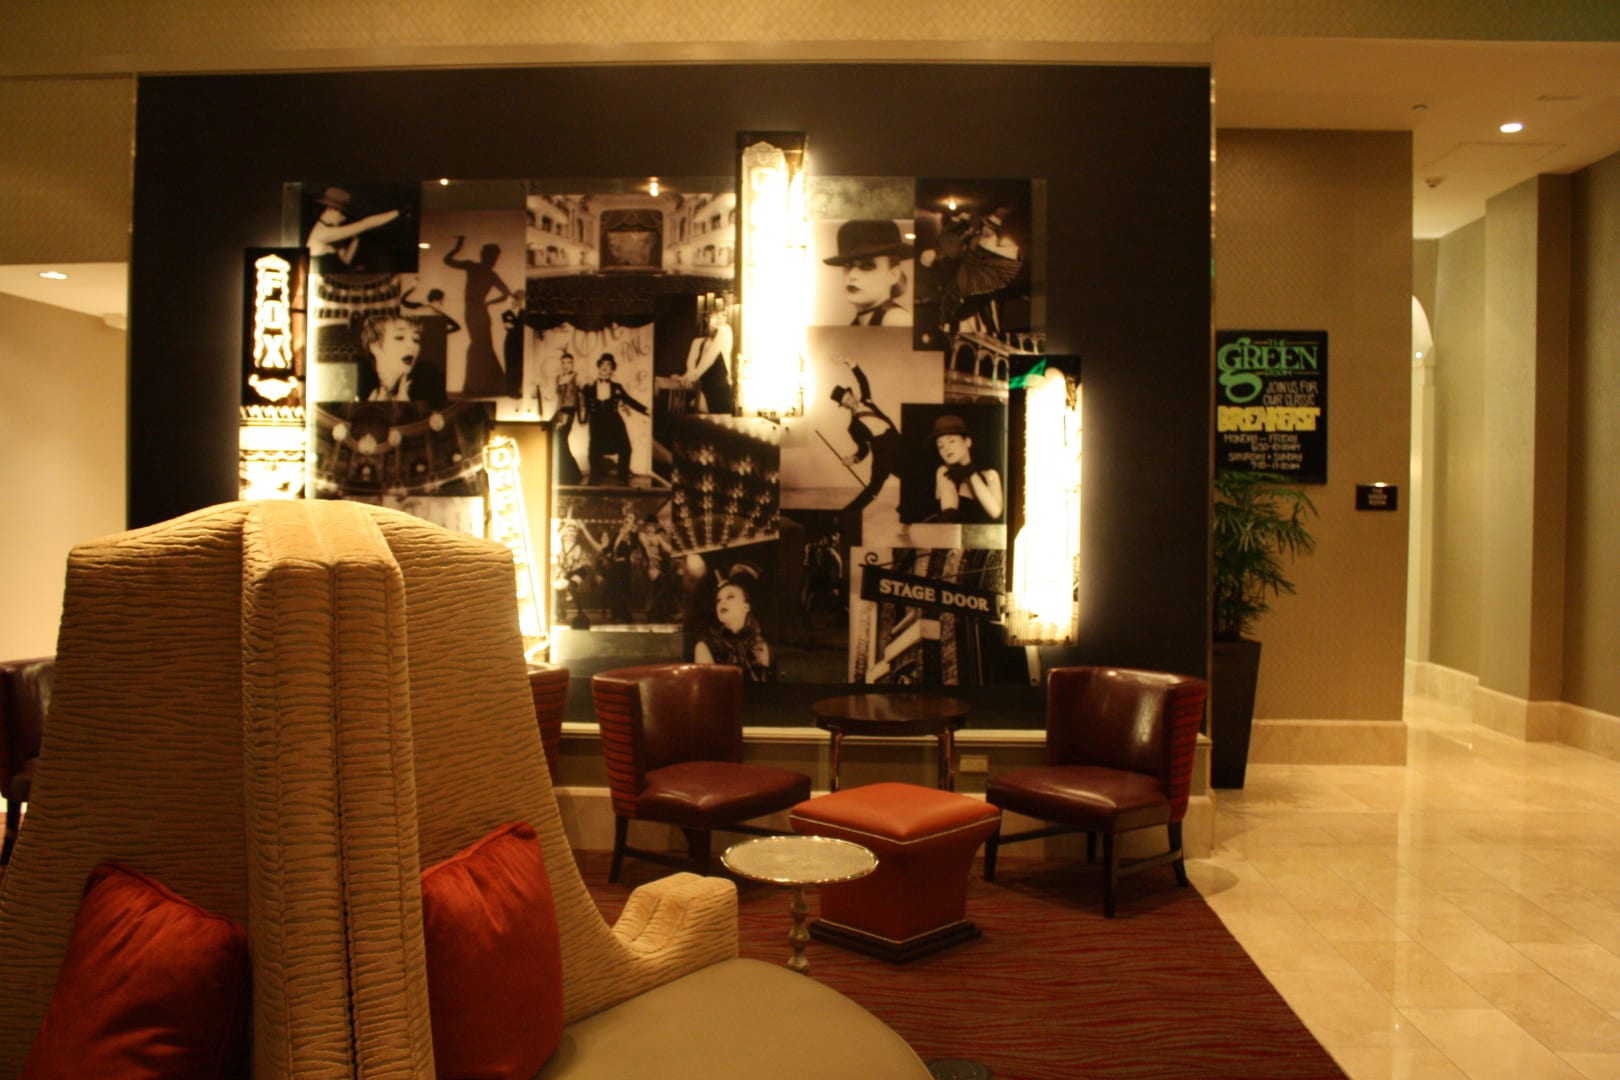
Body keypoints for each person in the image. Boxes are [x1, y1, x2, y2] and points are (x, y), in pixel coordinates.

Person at [443, 235, 514, 396]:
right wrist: (458, 245)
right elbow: (446, 261)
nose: (494, 261)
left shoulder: (479, 269)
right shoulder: (479, 269)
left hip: (476, 312)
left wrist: (458, 246)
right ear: (484, 256)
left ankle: (481, 386)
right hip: (477, 312)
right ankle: (487, 386)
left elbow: (507, 293)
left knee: (481, 345)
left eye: (495, 258)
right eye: (493, 257)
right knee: (481, 345)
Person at [829, 359, 900, 516]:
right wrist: (853, 459)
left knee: (912, 473)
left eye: (849, 397)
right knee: (874, 489)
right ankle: (846, 515)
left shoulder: (867, 401)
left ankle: (908, 508)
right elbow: (864, 450)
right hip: (881, 451)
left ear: (852, 394)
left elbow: (863, 381)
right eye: (846, 402)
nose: (850, 402)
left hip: (896, 441)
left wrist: (851, 364)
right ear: (844, 406)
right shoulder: (853, 427)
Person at [822, 220, 914, 327]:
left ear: (893, 275)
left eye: (867, 266)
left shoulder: (896, 319)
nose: (852, 275)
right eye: (848, 265)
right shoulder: (862, 320)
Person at [693, 563, 774, 681]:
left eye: (730, 597)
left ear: (746, 607)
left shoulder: (761, 645)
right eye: (718, 600)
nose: (722, 602)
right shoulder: (706, 646)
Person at [580, 352, 650, 485]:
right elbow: (582, 403)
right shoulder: (589, 387)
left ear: (612, 370)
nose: (605, 367)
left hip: (613, 420)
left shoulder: (617, 387)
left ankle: (623, 476)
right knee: (594, 450)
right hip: (597, 421)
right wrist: (583, 419)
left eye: (608, 365)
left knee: (625, 448)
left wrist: (646, 410)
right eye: (602, 364)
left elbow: (629, 400)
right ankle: (594, 478)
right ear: (599, 367)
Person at [305, 186, 401, 274]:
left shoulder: (328, 230)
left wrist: (356, 239)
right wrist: (398, 212)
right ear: (331, 209)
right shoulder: (323, 233)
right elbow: (366, 224)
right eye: (342, 214)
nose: (344, 218)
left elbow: (346, 260)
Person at [355, 314, 445, 403]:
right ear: (374, 346)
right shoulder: (357, 383)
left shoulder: (431, 384)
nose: (411, 346)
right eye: (399, 338)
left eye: (416, 339)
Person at [931, 413, 1004, 523]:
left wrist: (970, 472)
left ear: (967, 442)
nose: (946, 448)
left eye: (951, 441)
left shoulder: (991, 475)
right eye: (940, 446)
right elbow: (949, 514)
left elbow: (995, 512)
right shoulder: (944, 472)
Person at [681, 309, 734, 413]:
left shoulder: (725, 332)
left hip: (719, 391)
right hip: (701, 390)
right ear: (707, 318)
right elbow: (691, 363)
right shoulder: (697, 342)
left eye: (723, 316)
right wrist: (689, 372)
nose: (720, 320)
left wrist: (693, 375)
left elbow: (710, 357)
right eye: (715, 317)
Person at [548, 350, 584, 484]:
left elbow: (580, 398)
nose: (566, 365)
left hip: (569, 411)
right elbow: (558, 398)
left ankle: (572, 474)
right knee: (556, 440)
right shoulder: (558, 378)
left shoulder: (577, 377)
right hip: (559, 411)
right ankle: (564, 473)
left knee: (561, 439)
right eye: (563, 363)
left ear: (572, 364)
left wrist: (582, 415)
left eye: (569, 362)